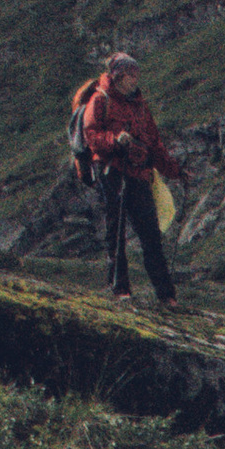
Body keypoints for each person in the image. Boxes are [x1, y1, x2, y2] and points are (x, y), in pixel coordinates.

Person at [77, 54, 181, 308]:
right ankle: (120, 289)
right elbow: (91, 136)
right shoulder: (101, 100)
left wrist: (174, 171)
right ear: (119, 76)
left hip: (138, 173)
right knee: (117, 230)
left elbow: (154, 142)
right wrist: (115, 140)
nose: (136, 80)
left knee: (150, 234)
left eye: (136, 75)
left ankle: (166, 295)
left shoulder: (140, 105)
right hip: (112, 171)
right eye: (131, 75)